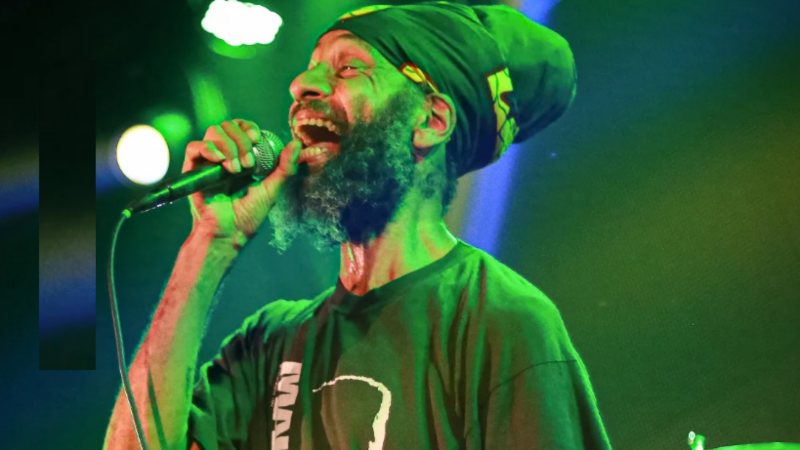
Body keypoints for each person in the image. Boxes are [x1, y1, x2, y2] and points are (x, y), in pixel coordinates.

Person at [103, 2, 611, 449]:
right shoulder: (270, 345)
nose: (301, 86)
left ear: (431, 121)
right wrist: (210, 245)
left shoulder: (498, 319)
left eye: (348, 68)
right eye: (310, 68)